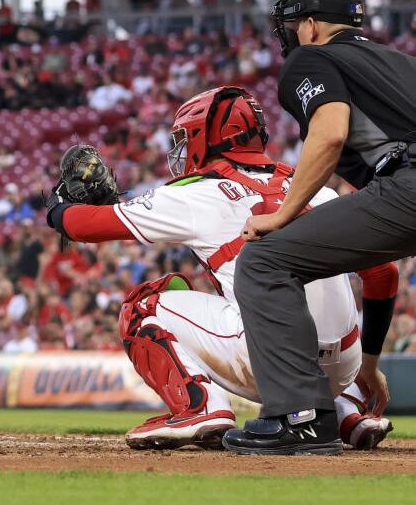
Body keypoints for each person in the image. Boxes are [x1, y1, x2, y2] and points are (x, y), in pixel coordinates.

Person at [47, 85, 393, 452]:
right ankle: (343, 412)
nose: (180, 149)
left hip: (272, 360)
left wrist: (56, 205)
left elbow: (81, 226)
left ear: (203, 137)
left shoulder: (197, 192)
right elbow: (384, 273)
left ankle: (199, 407)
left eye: (184, 138)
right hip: (344, 367)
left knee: (144, 305)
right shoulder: (318, 187)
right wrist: (367, 366)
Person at [224, 0, 416, 454]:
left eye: (292, 25)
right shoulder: (402, 62)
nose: (289, 35)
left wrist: (283, 214)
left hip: (409, 185)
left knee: (265, 262)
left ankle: (300, 416)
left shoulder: (312, 57)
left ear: (310, 26)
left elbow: (329, 133)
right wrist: (368, 363)